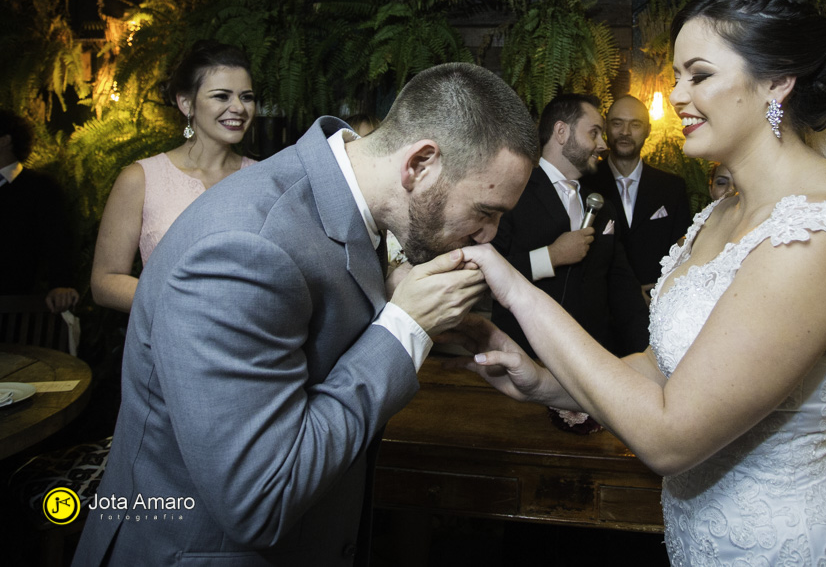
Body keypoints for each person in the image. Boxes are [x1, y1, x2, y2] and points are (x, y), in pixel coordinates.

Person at [449, 0, 826, 565]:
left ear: (777, 81)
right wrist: (545, 381)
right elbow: (665, 365)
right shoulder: (720, 214)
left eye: (699, 75)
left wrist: (514, 287)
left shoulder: (820, 233)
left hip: (784, 546)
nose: (676, 96)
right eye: (677, 75)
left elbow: (670, 437)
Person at [70, 62, 538, 566]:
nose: (489, 235)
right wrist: (405, 328)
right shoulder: (244, 248)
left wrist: (400, 301)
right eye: (486, 211)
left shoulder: (343, 202)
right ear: (420, 163)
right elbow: (260, 498)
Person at [90, 41, 259, 313]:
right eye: (221, 96)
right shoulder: (141, 179)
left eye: (247, 97)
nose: (238, 107)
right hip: (170, 334)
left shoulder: (264, 179)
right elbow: (104, 282)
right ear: (186, 103)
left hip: (250, 335)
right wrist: (186, 304)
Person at [490, 93, 649, 358]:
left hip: (592, 357)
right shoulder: (512, 192)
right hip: (525, 355)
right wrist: (551, 256)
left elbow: (624, 291)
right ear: (561, 132)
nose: (602, 145)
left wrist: (649, 356)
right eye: (594, 133)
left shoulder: (603, 207)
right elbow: (486, 275)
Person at [582, 94, 692, 291]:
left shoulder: (672, 188)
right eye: (617, 123)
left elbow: (682, 253)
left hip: (655, 298)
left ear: (648, 130)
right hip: (600, 300)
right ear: (606, 127)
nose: (625, 132)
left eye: (635, 125)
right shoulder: (585, 184)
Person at [0, 110, 79, 313]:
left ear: (5, 140)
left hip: (17, 309)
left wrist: (60, 284)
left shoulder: (39, 187)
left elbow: (58, 240)